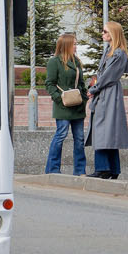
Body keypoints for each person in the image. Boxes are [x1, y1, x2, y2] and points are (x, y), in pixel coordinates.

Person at [88, 20, 128, 179]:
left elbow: (107, 76)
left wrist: (93, 88)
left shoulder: (117, 53)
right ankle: (113, 169)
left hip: (108, 94)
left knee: (103, 131)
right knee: (108, 132)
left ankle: (103, 168)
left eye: (105, 31)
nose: (102, 34)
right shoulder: (111, 51)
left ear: (113, 34)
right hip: (107, 93)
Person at [42, 32, 88, 175]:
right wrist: (59, 98)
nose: (76, 46)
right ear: (67, 45)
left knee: (79, 139)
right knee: (61, 135)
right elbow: (49, 84)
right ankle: (53, 169)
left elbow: (81, 83)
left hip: (78, 106)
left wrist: (84, 97)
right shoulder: (54, 62)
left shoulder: (77, 61)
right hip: (63, 107)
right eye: (74, 44)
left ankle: (80, 170)